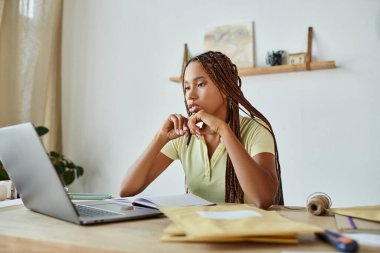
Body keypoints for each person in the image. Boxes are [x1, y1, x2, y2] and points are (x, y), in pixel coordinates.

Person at [120, 51, 283, 209]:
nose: (190, 95)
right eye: (186, 88)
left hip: (245, 232)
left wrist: (223, 130)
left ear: (225, 88)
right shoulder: (184, 136)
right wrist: (160, 137)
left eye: (200, 84)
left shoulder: (256, 131)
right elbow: (127, 190)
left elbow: (263, 199)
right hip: (197, 231)